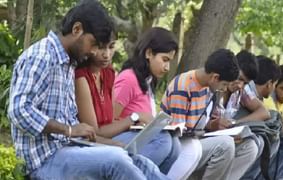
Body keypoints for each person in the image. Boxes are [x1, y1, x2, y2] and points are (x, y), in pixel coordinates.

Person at [7, 1, 167, 179]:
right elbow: (19, 111)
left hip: (69, 149)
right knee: (116, 160)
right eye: (93, 44)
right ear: (77, 29)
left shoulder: (68, 63)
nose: (93, 52)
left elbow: (76, 134)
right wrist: (68, 129)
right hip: (44, 161)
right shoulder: (41, 56)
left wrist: (110, 143)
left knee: (136, 159)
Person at [161, 49, 258, 180]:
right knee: (225, 145)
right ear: (215, 77)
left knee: (249, 145)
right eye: (224, 84)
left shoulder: (207, 87)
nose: (224, 89)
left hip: (195, 140)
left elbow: (198, 121)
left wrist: (213, 126)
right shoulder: (183, 86)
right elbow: (177, 132)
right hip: (177, 146)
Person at [112, 27, 180, 172]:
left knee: (175, 145)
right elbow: (109, 120)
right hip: (117, 140)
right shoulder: (128, 79)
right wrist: (135, 119)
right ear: (149, 53)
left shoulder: (147, 81)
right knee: (163, 141)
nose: (167, 67)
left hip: (136, 137)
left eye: (170, 62)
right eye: (165, 60)